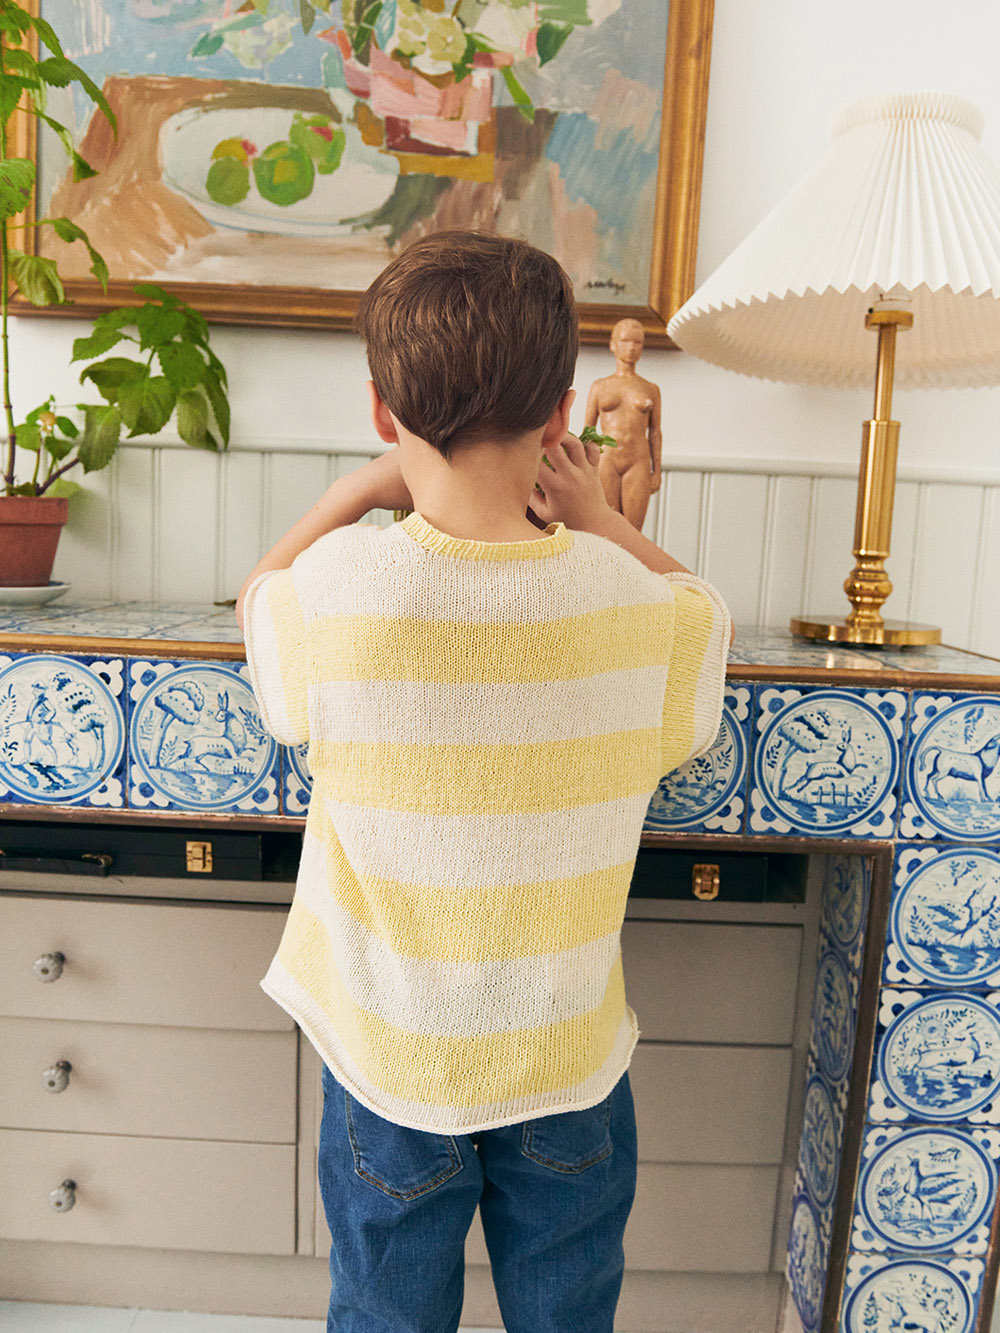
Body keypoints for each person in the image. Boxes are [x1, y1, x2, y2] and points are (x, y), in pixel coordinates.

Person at [236, 230, 731, 1333]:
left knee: (385, 1312)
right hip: (566, 1063)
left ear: (382, 411)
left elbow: (258, 596)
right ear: (561, 415)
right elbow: (706, 615)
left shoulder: (339, 590)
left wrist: (350, 494)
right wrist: (603, 520)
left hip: (393, 1061)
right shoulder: (630, 605)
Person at [584, 317, 662, 529]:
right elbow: (588, 430)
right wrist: (585, 469)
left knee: (634, 531)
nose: (631, 347)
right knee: (607, 529)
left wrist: (657, 471)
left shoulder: (651, 389)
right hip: (606, 459)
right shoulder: (600, 386)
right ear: (613, 345)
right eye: (626, 341)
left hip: (638, 460)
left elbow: (655, 432)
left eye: (637, 342)